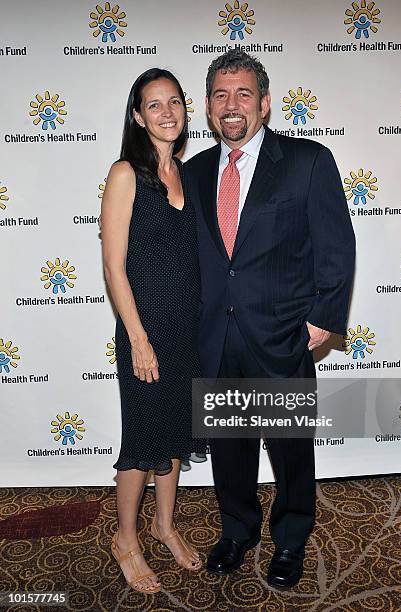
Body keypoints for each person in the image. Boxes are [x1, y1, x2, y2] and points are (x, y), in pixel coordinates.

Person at [186, 49, 355, 589]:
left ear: (264, 103)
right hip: (216, 338)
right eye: (220, 95)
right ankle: (237, 529)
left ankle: (290, 538)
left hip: (282, 334)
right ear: (209, 108)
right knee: (229, 451)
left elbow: (336, 245)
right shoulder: (190, 174)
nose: (231, 105)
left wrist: (324, 316)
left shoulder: (307, 160)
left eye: (242, 94)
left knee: (290, 450)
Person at [101, 68, 206, 594]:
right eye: (154, 105)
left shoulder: (188, 174)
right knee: (142, 438)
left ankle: (165, 526)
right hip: (145, 332)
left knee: (173, 435)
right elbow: (114, 267)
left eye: (175, 102)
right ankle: (126, 539)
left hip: (186, 330)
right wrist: (138, 339)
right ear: (138, 116)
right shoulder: (126, 174)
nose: (168, 113)